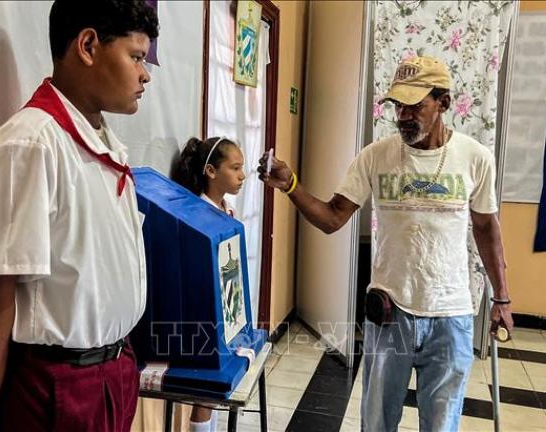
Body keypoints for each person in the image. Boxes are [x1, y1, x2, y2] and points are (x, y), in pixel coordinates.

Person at [258, 56, 514, 431]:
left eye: (416, 105)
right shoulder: (376, 156)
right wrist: (291, 185)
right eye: (398, 105)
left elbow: (486, 228)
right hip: (390, 312)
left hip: (451, 314)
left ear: (442, 102)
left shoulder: (475, 158)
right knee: (376, 423)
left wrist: (502, 298)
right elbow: (332, 218)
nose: (404, 115)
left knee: (441, 426)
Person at [0, 1, 158, 431]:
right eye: (136, 57)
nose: (145, 75)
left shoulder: (101, 145)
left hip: (114, 369)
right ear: (87, 45)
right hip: (62, 387)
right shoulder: (31, 144)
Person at [172, 136, 246, 432]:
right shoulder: (196, 214)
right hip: (205, 313)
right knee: (205, 394)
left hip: (227, 308)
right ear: (211, 171)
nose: (242, 176)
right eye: (235, 168)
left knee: (215, 395)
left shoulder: (226, 209)